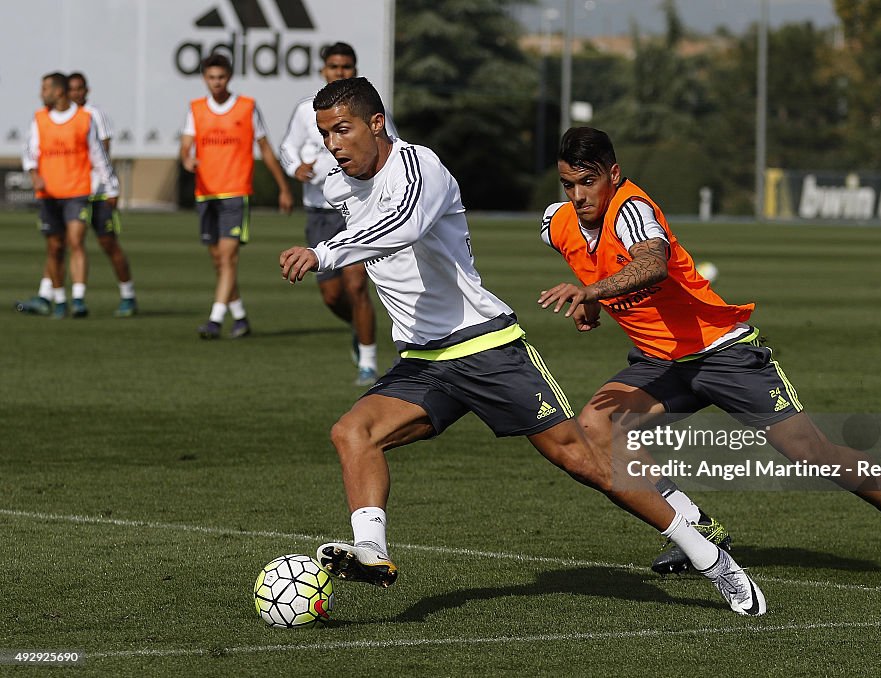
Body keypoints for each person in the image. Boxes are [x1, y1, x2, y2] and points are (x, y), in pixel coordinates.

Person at [279, 77, 767, 616]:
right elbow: (357, 212)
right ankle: (372, 551)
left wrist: (324, 252)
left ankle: (709, 557)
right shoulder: (337, 183)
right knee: (352, 431)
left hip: (485, 345)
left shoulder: (421, 168)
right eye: (324, 134)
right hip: (423, 359)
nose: (332, 143)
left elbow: (406, 227)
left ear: (377, 124)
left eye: (342, 130)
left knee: (583, 459)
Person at [537, 126, 881, 581]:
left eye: (588, 181)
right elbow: (597, 261)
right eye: (569, 184)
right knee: (596, 429)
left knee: (810, 452)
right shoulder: (556, 224)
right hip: (661, 362)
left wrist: (591, 291)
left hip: (721, 351)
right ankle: (699, 529)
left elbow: (651, 263)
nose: (578, 195)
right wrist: (593, 302)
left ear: (614, 174)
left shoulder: (632, 210)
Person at [279, 42, 392, 384]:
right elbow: (287, 147)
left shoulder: (368, 109)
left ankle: (368, 362)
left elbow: (391, 149)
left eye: (346, 66)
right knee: (331, 295)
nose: (339, 72)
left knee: (356, 285)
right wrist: (295, 166)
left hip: (357, 210)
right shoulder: (306, 111)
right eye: (334, 66)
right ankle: (359, 329)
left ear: (354, 69)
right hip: (318, 211)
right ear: (323, 70)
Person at [180, 53, 293, 339]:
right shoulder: (195, 109)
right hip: (206, 193)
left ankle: (215, 320)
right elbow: (185, 148)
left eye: (221, 77)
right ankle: (240, 316)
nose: (216, 83)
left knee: (229, 257)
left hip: (235, 191)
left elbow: (265, 149)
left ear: (228, 77)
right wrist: (187, 160)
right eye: (211, 78)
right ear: (204, 79)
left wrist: (283, 186)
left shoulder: (247, 108)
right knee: (219, 260)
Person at [15, 72, 119, 319]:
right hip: (49, 193)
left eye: (45, 88)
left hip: (77, 191)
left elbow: (98, 154)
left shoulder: (84, 119)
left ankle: (79, 299)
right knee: (54, 247)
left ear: (57, 91)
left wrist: (111, 186)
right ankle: (59, 300)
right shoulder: (39, 119)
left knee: (76, 242)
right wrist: (33, 174)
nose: (41, 93)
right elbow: (29, 151)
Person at [67, 72, 138, 317]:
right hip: (73, 190)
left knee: (108, 243)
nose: (76, 93)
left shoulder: (95, 115)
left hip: (97, 190)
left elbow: (104, 150)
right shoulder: (63, 118)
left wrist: (110, 186)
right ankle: (64, 296)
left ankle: (128, 294)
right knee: (64, 242)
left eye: (79, 88)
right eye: (71, 89)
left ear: (87, 90)